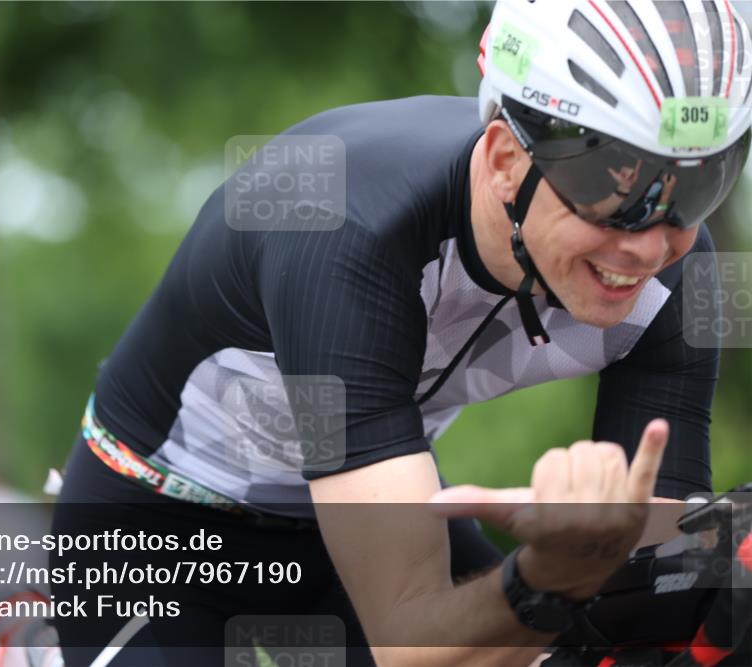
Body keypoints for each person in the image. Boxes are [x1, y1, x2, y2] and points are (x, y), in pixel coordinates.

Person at [50, 1, 752, 665]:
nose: (651, 245)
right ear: (507, 159)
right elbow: (408, 646)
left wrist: (718, 555)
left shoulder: (676, 277)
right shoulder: (346, 228)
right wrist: (552, 580)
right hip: (161, 528)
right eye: (616, 196)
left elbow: (653, 572)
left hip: (366, 501)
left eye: (695, 191)